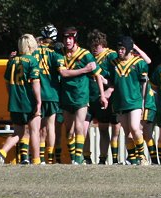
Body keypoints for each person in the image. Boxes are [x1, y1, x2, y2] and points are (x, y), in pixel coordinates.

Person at [58, 26, 108, 164]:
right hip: (66, 96)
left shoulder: (85, 54)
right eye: (65, 38)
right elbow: (63, 73)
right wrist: (84, 70)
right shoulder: (60, 53)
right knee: (68, 130)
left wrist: (102, 95)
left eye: (70, 38)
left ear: (75, 40)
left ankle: (78, 159)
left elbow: (97, 75)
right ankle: (74, 156)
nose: (67, 41)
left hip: (81, 96)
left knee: (80, 126)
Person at [0, 34, 42, 165]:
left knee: (18, 132)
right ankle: (36, 160)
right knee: (34, 131)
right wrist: (38, 101)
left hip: (15, 103)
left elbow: (7, 83)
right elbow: (35, 83)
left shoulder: (12, 61)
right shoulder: (32, 61)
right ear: (31, 45)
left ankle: (2, 152)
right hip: (28, 101)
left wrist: (12, 96)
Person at [107, 36, 149, 165]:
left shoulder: (138, 63)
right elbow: (110, 82)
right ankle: (132, 158)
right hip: (120, 101)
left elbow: (144, 84)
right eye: (118, 48)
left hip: (134, 101)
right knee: (127, 132)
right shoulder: (113, 63)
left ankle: (142, 157)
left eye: (122, 49)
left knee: (135, 128)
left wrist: (142, 103)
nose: (119, 51)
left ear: (129, 49)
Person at [82, 29, 120, 165]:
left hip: (105, 99)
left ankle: (103, 159)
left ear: (103, 44)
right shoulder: (89, 57)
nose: (94, 49)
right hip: (89, 98)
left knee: (104, 129)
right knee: (82, 128)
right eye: (92, 46)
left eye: (96, 46)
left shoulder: (111, 56)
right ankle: (86, 158)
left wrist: (110, 89)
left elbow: (119, 77)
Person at [34, 24, 63, 164]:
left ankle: (38, 158)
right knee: (51, 126)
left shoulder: (33, 50)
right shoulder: (55, 52)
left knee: (38, 127)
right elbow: (62, 71)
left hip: (36, 93)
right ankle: (50, 159)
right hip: (51, 93)